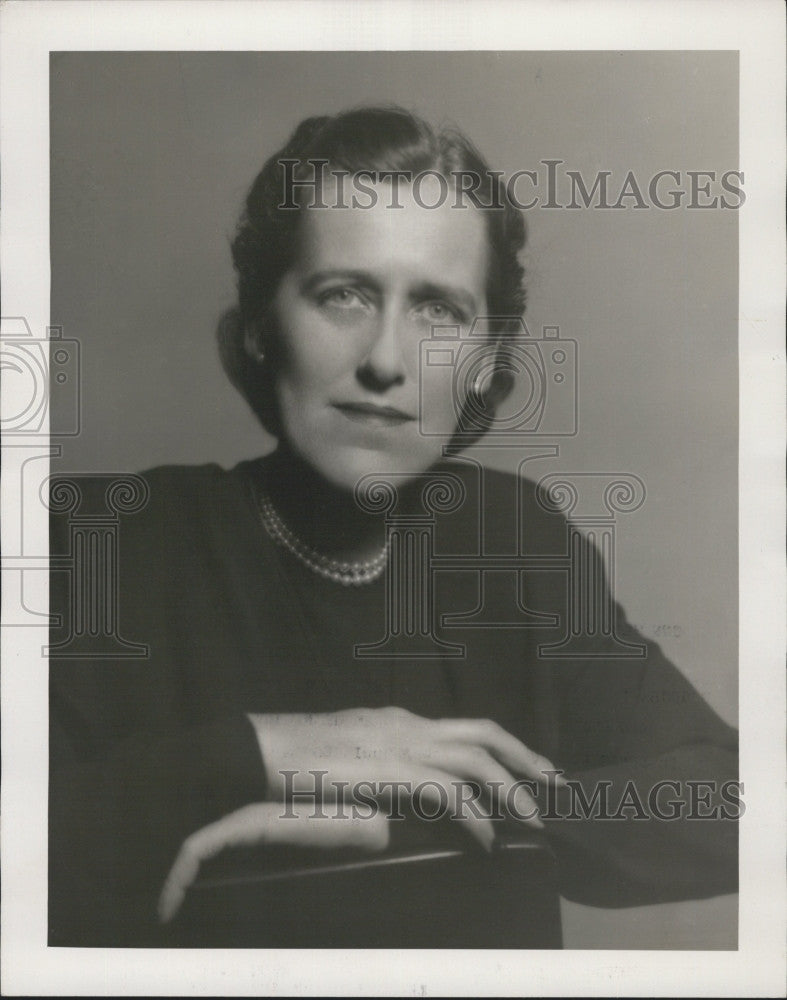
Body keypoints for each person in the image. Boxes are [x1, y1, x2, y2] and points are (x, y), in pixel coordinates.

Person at [48, 106, 738, 947]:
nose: (385, 359)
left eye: (438, 311)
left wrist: (427, 807)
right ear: (263, 326)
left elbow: (733, 796)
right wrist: (261, 754)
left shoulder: (508, 539)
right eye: (343, 295)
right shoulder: (100, 543)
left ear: (486, 358)